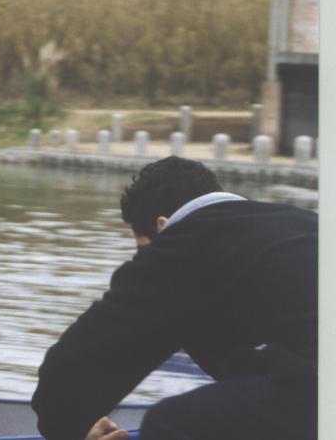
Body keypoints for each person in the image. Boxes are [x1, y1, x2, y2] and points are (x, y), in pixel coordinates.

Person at [31, 156, 317, 440]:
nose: (145, 259)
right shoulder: (300, 223)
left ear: (163, 226)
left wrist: (71, 428)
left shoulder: (186, 241)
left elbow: (73, 366)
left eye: (143, 250)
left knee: (169, 423)